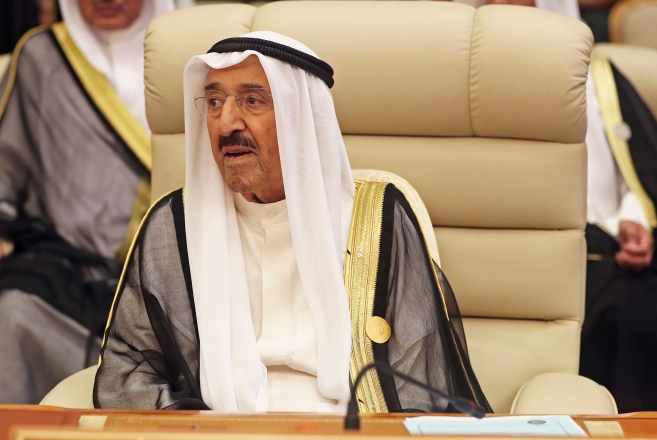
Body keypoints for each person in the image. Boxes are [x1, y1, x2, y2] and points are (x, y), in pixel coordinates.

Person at [94, 32, 491, 413]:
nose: (226, 122)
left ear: (299, 118)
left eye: (252, 101)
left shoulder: (376, 218)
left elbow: (422, 384)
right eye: (214, 102)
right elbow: (127, 371)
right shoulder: (173, 224)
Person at [487, 0, 657, 411]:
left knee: (645, 326)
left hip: (599, 254)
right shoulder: (455, 77)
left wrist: (636, 221)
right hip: (494, 256)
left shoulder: (600, 82)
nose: (507, 5)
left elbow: (646, 173)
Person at [0, 0, 185, 403]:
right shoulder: (43, 54)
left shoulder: (187, 57)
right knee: (10, 315)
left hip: (165, 266)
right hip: (65, 264)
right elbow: (2, 159)